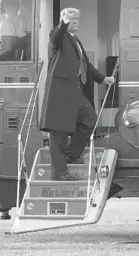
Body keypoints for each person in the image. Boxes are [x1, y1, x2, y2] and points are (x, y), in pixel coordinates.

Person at [39, 8, 115, 181]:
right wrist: (63, 23)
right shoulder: (58, 35)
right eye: (72, 20)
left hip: (75, 91)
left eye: (77, 20)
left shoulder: (75, 40)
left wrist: (103, 79)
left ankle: (71, 155)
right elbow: (56, 37)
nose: (76, 22)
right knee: (59, 132)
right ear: (64, 20)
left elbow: (86, 64)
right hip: (60, 92)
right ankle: (60, 173)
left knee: (90, 120)